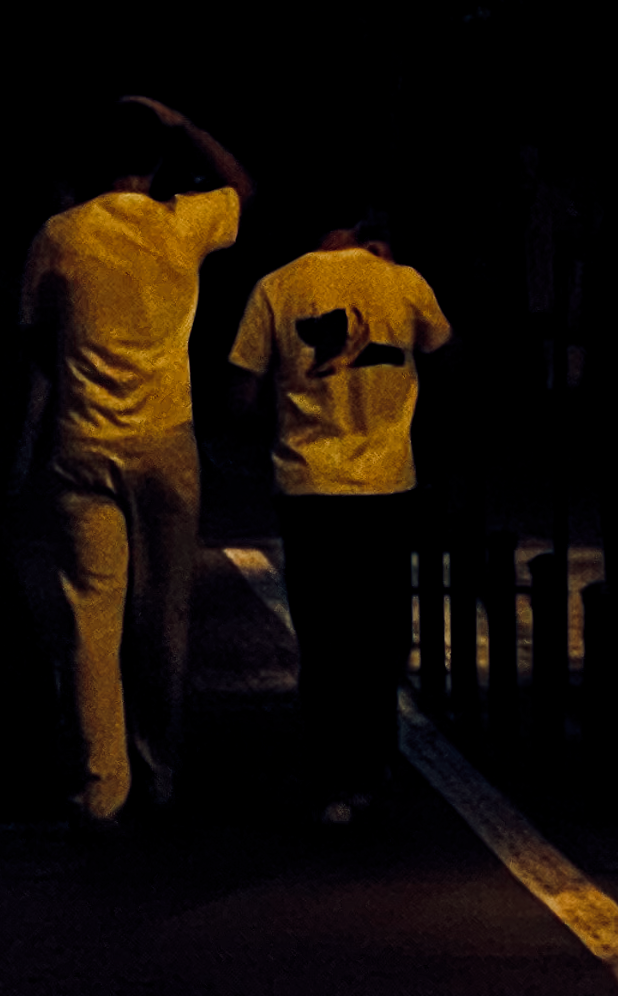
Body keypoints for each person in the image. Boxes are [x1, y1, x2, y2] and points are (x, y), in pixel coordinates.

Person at [15, 91, 254, 824]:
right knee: (163, 614)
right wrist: (186, 125)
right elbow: (244, 189)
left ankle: (102, 784)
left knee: (91, 615)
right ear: (156, 161)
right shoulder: (183, 223)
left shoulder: (61, 235)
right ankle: (161, 767)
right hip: (165, 441)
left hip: (84, 441)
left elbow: (34, 335)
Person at [228, 191, 452, 827]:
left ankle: (331, 775)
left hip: (308, 486)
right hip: (386, 485)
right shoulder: (402, 281)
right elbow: (446, 354)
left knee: (324, 636)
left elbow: (241, 396)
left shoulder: (276, 287)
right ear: (364, 218)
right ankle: (376, 762)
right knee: (381, 633)